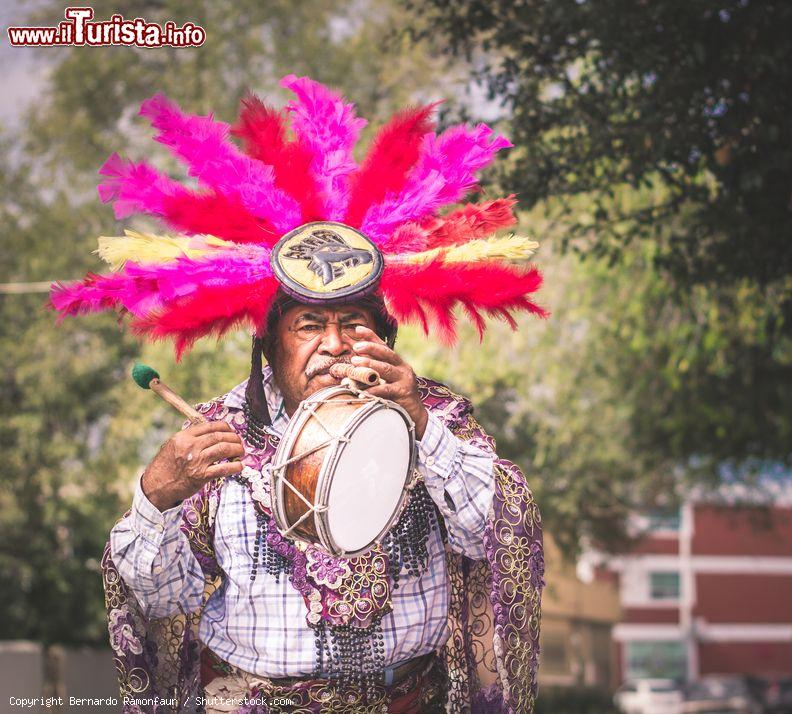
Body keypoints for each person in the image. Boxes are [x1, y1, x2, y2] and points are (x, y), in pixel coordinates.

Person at [52, 76, 546, 713]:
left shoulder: (438, 417)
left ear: (385, 335)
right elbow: (159, 599)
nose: (335, 344)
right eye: (310, 325)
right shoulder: (214, 437)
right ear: (271, 345)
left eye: (355, 323)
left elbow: (500, 535)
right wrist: (153, 501)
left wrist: (421, 427)